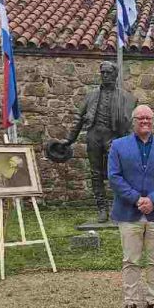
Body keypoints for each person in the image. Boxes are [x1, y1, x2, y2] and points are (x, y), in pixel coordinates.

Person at [108, 105, 154, 308]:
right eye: (140, 118)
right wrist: (137, 199)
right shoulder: (118, 146)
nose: (144, 121)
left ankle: (153, 301)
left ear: (153, 120)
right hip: (129, 212)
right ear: (133, 121)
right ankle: (130, 303)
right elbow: (114, 176)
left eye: (148, 118)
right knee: (131, 260)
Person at [64, 61, 136, 223]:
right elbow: (78, 118)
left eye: (108, 73)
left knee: (117, 173)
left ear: (115, 75)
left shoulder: (125, 97)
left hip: (114, 138)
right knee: (95, 174)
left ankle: (119, 207)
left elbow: (131, 124)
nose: (105, 75)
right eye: (103, 73)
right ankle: (102, 208)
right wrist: (70, 139)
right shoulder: (91, 96)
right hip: (94, 136)